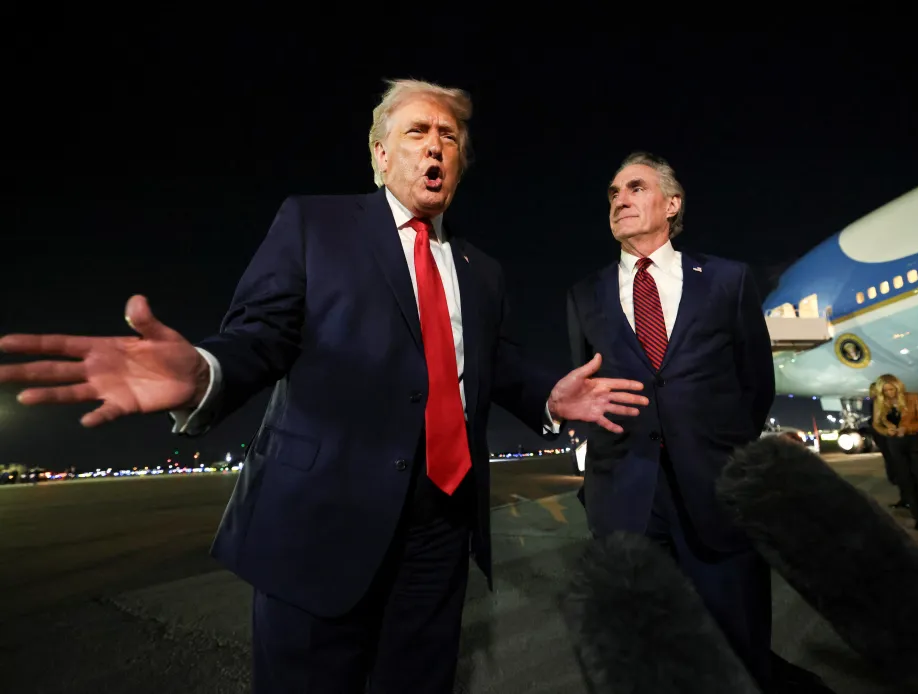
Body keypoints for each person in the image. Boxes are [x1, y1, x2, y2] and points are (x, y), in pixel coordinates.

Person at [0, 79, 649, 693]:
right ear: (380, 153)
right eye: (417, 130)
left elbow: (496, 365)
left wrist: (547, 396)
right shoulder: (316, 225)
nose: (434, 145)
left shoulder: (483, 271)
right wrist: (205, 370)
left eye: (449, 136)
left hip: (440, 528)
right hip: (323, 518)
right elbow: (261, 334)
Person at [566, 152, 777, 688]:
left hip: (715, 490)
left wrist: (718, 450)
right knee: (644, 652)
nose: (620, 200)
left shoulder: (728, 279)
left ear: (672, 203)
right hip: (625, 497)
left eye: (635, 188)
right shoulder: (583, 294)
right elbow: (586, 388)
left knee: (737, 644)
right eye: (613, 193)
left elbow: (756, 383)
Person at [871, 373, 918, 531]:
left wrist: (907, 428)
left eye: (892, 389)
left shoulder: (912, 398)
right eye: (886, 390)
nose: (890, 393)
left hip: (914, 441)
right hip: (895, 444)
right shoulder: (879, 402)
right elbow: (876, 424)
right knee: (906, 482)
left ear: (898, 387)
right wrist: (887, 431)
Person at [868, 381, 906, 509]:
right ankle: (905, 497)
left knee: (898, 471)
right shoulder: (876, 404)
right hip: (886, 444)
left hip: (890, 443)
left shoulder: (884, 405)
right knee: (895, 470)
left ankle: (907, 499)